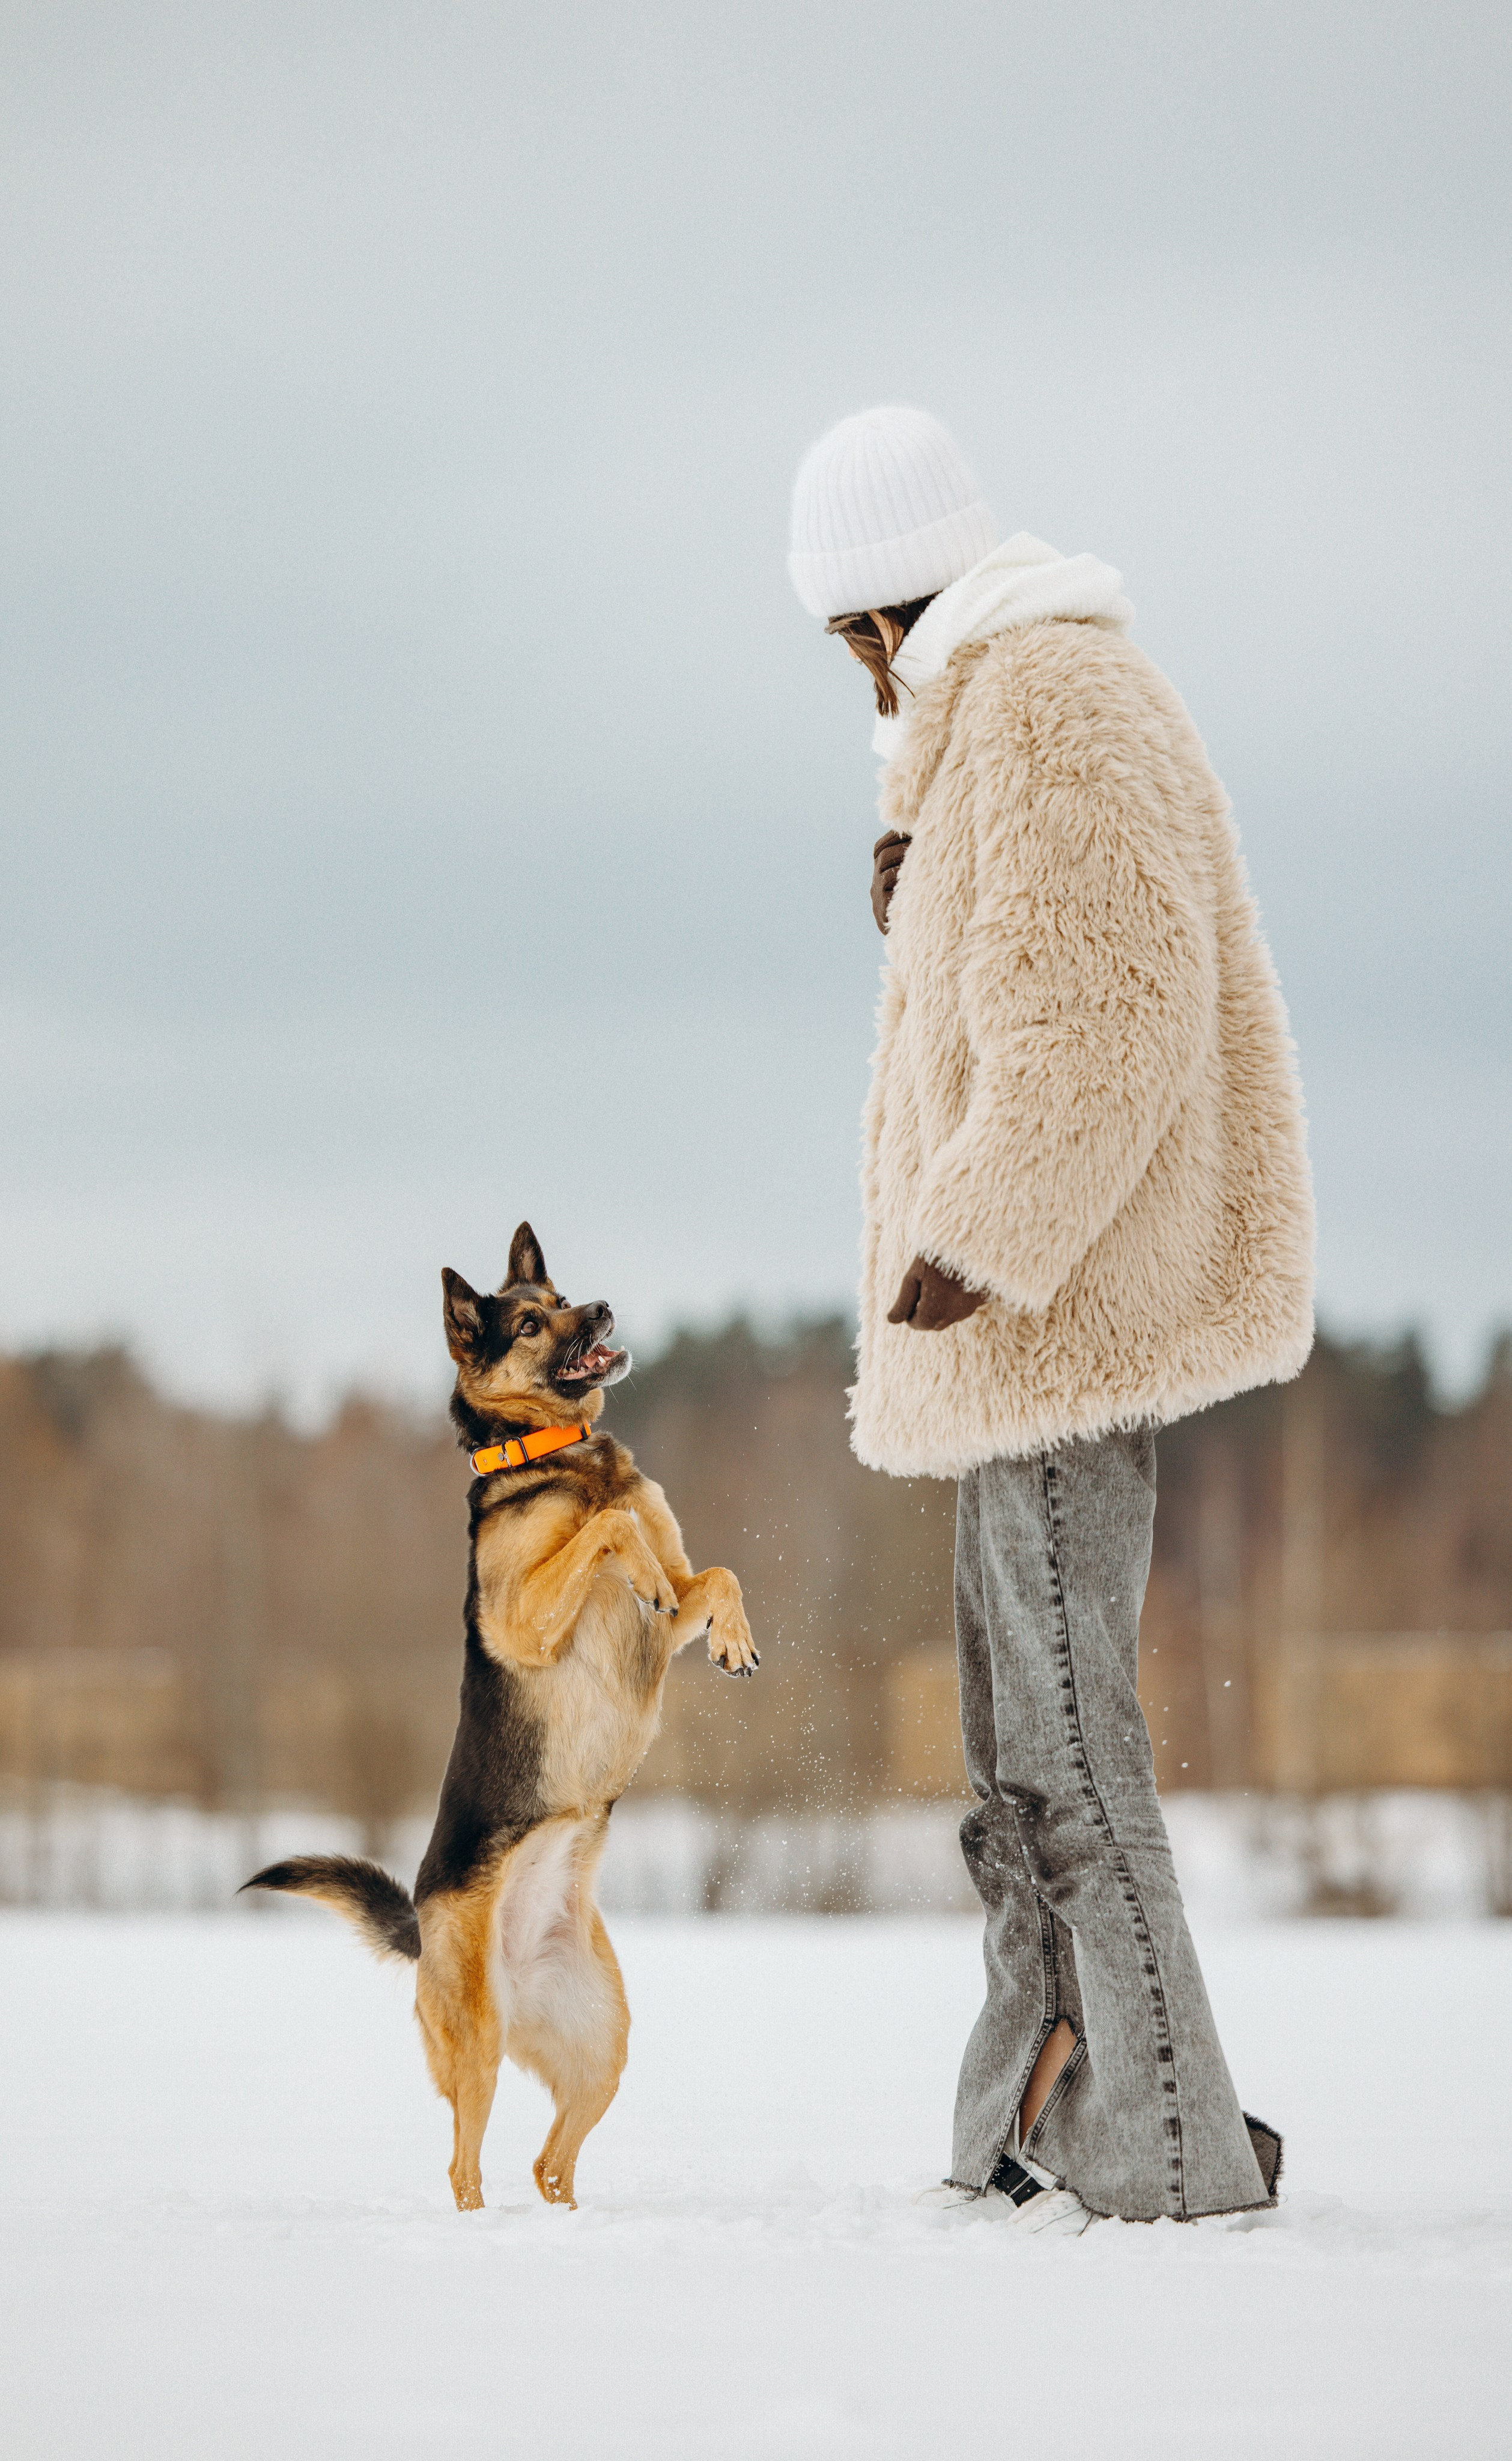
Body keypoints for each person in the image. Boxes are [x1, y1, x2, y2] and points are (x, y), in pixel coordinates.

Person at [789, 406, 1312, 2232]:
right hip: (1018, 1342)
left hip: (1061, 1320)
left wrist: (986, 1234)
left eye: (843, 626)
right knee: (1015, 1773)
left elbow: (1109, 1004)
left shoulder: (1053, 700)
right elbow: (1027, 953)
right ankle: (1028, 2128)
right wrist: (918, 888)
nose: (841, 663)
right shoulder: (986, 722)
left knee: (1075, 1762)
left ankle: (1169, 2162)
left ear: (881, 602)